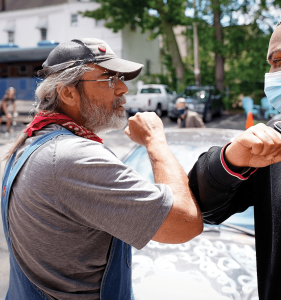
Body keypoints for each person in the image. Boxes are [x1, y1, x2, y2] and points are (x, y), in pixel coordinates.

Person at [1, 38, 203, 300]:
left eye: (119, 77)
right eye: (109, 79)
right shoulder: (73, 157)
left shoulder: (31, 142)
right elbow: (183, 224)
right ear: (68, 93)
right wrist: (155, 141)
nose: (123, 89)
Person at [188, 12, 281, 300]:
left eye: (278, 61)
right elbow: (203, 209)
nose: (272, 75)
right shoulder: (277, 142)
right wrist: (229, 159)